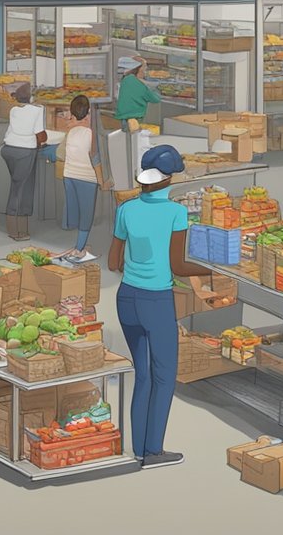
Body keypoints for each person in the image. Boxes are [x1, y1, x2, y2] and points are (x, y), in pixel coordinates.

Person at [109, 144, 221, 469]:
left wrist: (139, 259)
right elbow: (179, 266)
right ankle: (154, 450)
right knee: (164, 376)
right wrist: (213, 269)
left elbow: (113, 261)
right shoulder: (175, 212)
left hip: (126, 298)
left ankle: (138, 450)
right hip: (155, 301)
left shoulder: (126, 209)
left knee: (142, 375)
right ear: (169, 179)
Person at [55, 95, 106, 265]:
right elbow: (96, 160)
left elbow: (61, 153)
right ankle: (79, 249)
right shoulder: (90, 134)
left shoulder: (71, 132)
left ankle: (80, 244)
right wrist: (102, 182)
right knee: (86, 215)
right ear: (89, 113)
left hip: (69, 176)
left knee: (76, 212)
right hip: (87, 178)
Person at [1, 82, 46, 241]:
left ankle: (21, 229)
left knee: (19, 187)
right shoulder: (38, 110)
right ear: (32, 97)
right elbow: (41, 135)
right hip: (25, 152)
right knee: (20, 190)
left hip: (8, 150)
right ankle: (15, 232)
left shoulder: (14, 110)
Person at [114, 56, 160, 131]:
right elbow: (155, 99)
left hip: (122, 116)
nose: (144, 73)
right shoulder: (139, 84)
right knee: (134, 136)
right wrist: (155, 89)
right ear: (137, 70)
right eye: (144, 70)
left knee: (126, 135)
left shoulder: (125, 80)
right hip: (136, 117)